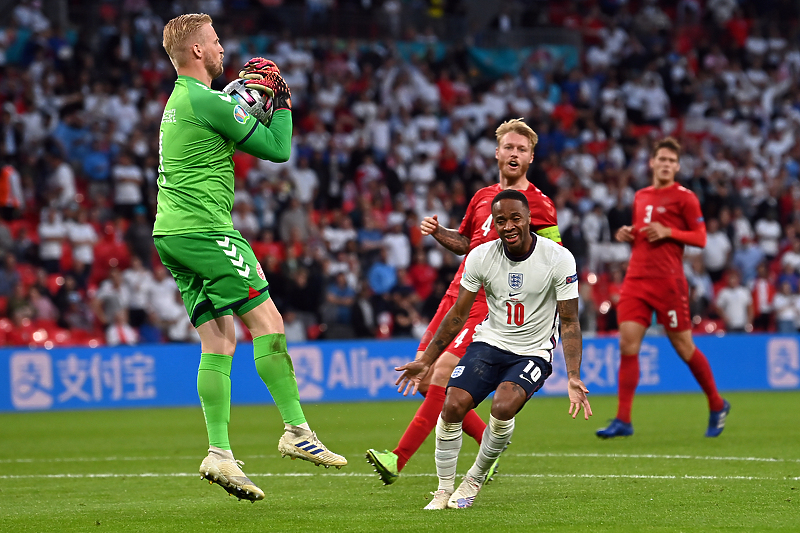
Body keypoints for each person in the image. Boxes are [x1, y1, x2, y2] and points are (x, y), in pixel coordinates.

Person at [153, 13, 345, 503]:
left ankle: (219, 452)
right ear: (196, 50)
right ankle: (296, 431)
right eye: (215, 42)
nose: (222, 49)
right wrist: (281, 101)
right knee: (269, 322)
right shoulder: (206, 99)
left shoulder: (178, 102)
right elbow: (278, 150)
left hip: (170, 233)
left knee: (219, 339)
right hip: (205, 230)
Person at [366, 119, 560, 485]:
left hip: (489, 302)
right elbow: (467, 243)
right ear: (497, 152)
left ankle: (397, 459)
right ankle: (490, 442)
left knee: (441, 374)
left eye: (522, 148)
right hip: (456, 294)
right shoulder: (482, 197)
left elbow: (554, 256)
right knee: (425, 380)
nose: (514, 153)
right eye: (509, 147)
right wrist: (440, 234)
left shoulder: (541, 204)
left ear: (531, 157)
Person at [394, 190, 592, 510]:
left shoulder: (558, 258)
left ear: (529, 219)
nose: (509, 225)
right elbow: (457, 314)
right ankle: (443, 490)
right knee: (453, 403)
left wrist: (573, 376)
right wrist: (427, 361)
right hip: (490, 342)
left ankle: (473, 478)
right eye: (501, 220)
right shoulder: (481, 255)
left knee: (502, 407)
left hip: (533, 351)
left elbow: (569, 322)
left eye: (515, 218)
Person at [597, 137, 730, 440]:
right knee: (627, 345)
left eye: (672, 161)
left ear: (677, 166)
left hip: (668, 282)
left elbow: (700, 238)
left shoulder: (685, 198)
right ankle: (623, 419)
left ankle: (717, 403)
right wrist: (630, 234)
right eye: (663, 160)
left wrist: (669, 231)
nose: (667, 165)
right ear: (652, 163)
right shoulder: (641, 196)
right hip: (636, 279)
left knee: (683, 346)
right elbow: (645, 235)